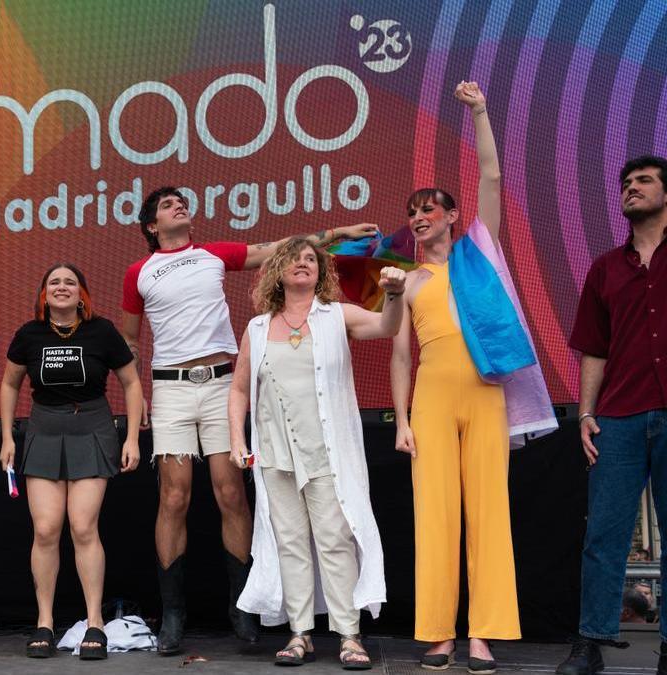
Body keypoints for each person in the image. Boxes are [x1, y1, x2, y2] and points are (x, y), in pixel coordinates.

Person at [121, 185, 378, 654]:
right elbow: (131, 344)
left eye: (183, 200)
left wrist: (338, 232)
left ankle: (241, 608)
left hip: (220, 380)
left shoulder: (213, 254)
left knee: (229, 490)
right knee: (173, 496)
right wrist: (138, 403)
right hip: (171, 389)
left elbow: (277, 250)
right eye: (167, 204)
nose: (180, 204)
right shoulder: (138, 272)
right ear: (152, 226)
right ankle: (173, 613)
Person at [390, 82, 556, 674]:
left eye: (427, 210)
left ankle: (483, 635)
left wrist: (480, 112)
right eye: (411, 214)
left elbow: (490, 174)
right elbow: (401, 357)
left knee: (488, 513)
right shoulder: (406, 279)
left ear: (453, 216)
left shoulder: (479, 249)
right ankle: (438, 634)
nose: (417, 220)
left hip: (485, 397)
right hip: (432, 402)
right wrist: (402, 420)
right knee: (434, 515)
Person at [230, 238, 404, 669]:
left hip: (326, 451)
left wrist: (396, 295)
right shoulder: (257, 327)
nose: (303, 264)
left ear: (320, 272)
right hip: (274, 454)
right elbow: (237, 389)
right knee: (289, 542)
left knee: (334, 539)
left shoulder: (335, 316)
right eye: (295, 258)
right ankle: (299, 633)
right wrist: (238, 439)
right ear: (278, 271)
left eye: (311, 259)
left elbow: (387, 326)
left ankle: (349, 635)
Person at [556, 155, 667, 675]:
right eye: (625, 183)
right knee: (603, 536)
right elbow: (593, 350)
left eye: (643, 181)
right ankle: (590, 644)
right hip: (618, 417)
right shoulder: (605, 267)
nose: (630, 189)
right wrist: (584, 415)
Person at [0, 263, 142, 660]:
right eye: (54, 282)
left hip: (92, 429)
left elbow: (131, 383)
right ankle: (44, 622)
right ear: (44, 293)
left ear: (83, 294)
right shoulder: (29, 334)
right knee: (45, 529)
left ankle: (94, 623)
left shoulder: (103, 331)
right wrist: (8, 437)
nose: (62, 287)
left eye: (70, 282)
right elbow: (10, 383)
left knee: (83, 527)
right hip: (43, 431)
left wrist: (131, 437)